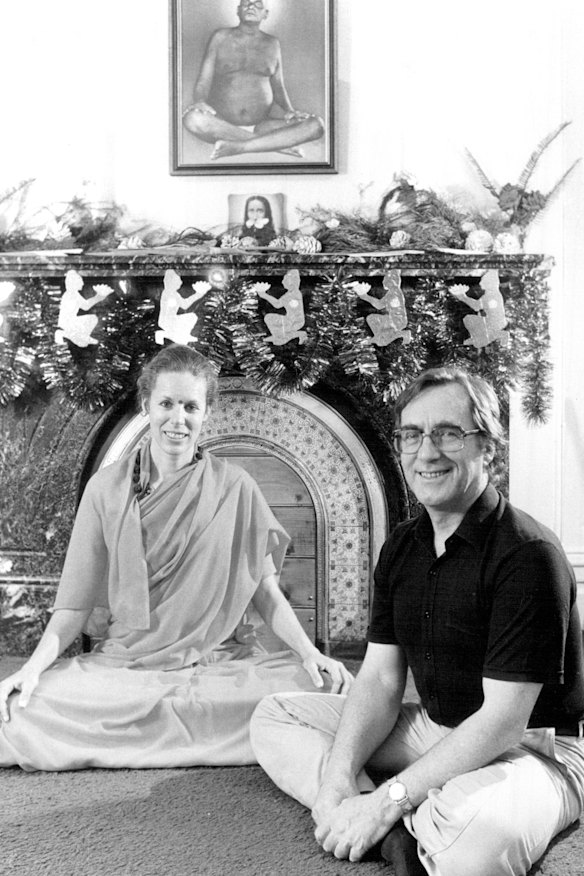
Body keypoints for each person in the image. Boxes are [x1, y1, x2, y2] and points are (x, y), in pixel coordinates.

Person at [250, 366, 584, 876]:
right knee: (275, 717)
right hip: (437, 730)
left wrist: (388, 798)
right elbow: (382, 679)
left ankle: (385, 815)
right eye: (413, 435)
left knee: (482, 841)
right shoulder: (402, 546)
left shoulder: (528, 554)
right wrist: (340, 776)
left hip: (533, 751)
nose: (427, 452)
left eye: (449, 434)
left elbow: (503, 721)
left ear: (487, 447)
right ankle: (380, 819)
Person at [0, 344, 352, 771]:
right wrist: (32, 669)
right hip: (128, 666)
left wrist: (310, 652)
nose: (178, 418)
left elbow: (265, 591)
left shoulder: (235, 488)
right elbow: (73, 606)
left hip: (213, 661)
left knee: (328, 690)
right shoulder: (105, 489)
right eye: (166, 403)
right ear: (146, 405)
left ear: (206, 413)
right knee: (25, 702)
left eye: (190, 406)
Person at [183, 0, 324, 160]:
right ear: (238, 11)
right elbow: (204, 80)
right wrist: (200, 100)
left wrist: (289, 111)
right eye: (246, 3)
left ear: (266, 14)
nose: (250, 6)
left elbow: (278, 86)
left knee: (317, 125)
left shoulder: (273, 43)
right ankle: (277, 146)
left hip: (263, 126)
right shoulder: (220, 37)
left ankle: (239, 146)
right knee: (192, 119)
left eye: (257, 4)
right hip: (222, 123)